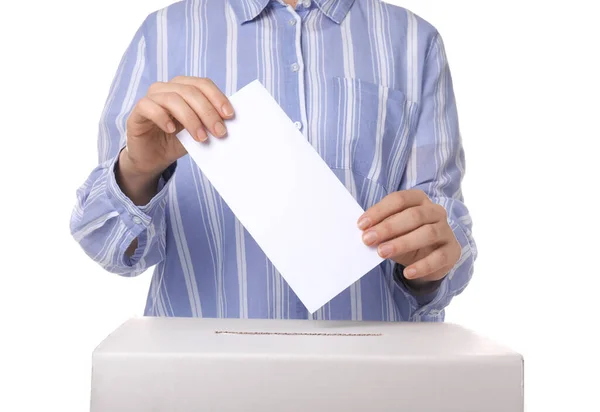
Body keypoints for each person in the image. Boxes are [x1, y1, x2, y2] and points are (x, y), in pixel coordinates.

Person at [70, 0, 476, 322]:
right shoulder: (161, 35)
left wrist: (432, 260)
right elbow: (106, 244)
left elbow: (445, 230)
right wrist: (138, 172)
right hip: (202, 382)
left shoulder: (414, 41)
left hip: (367, 380)